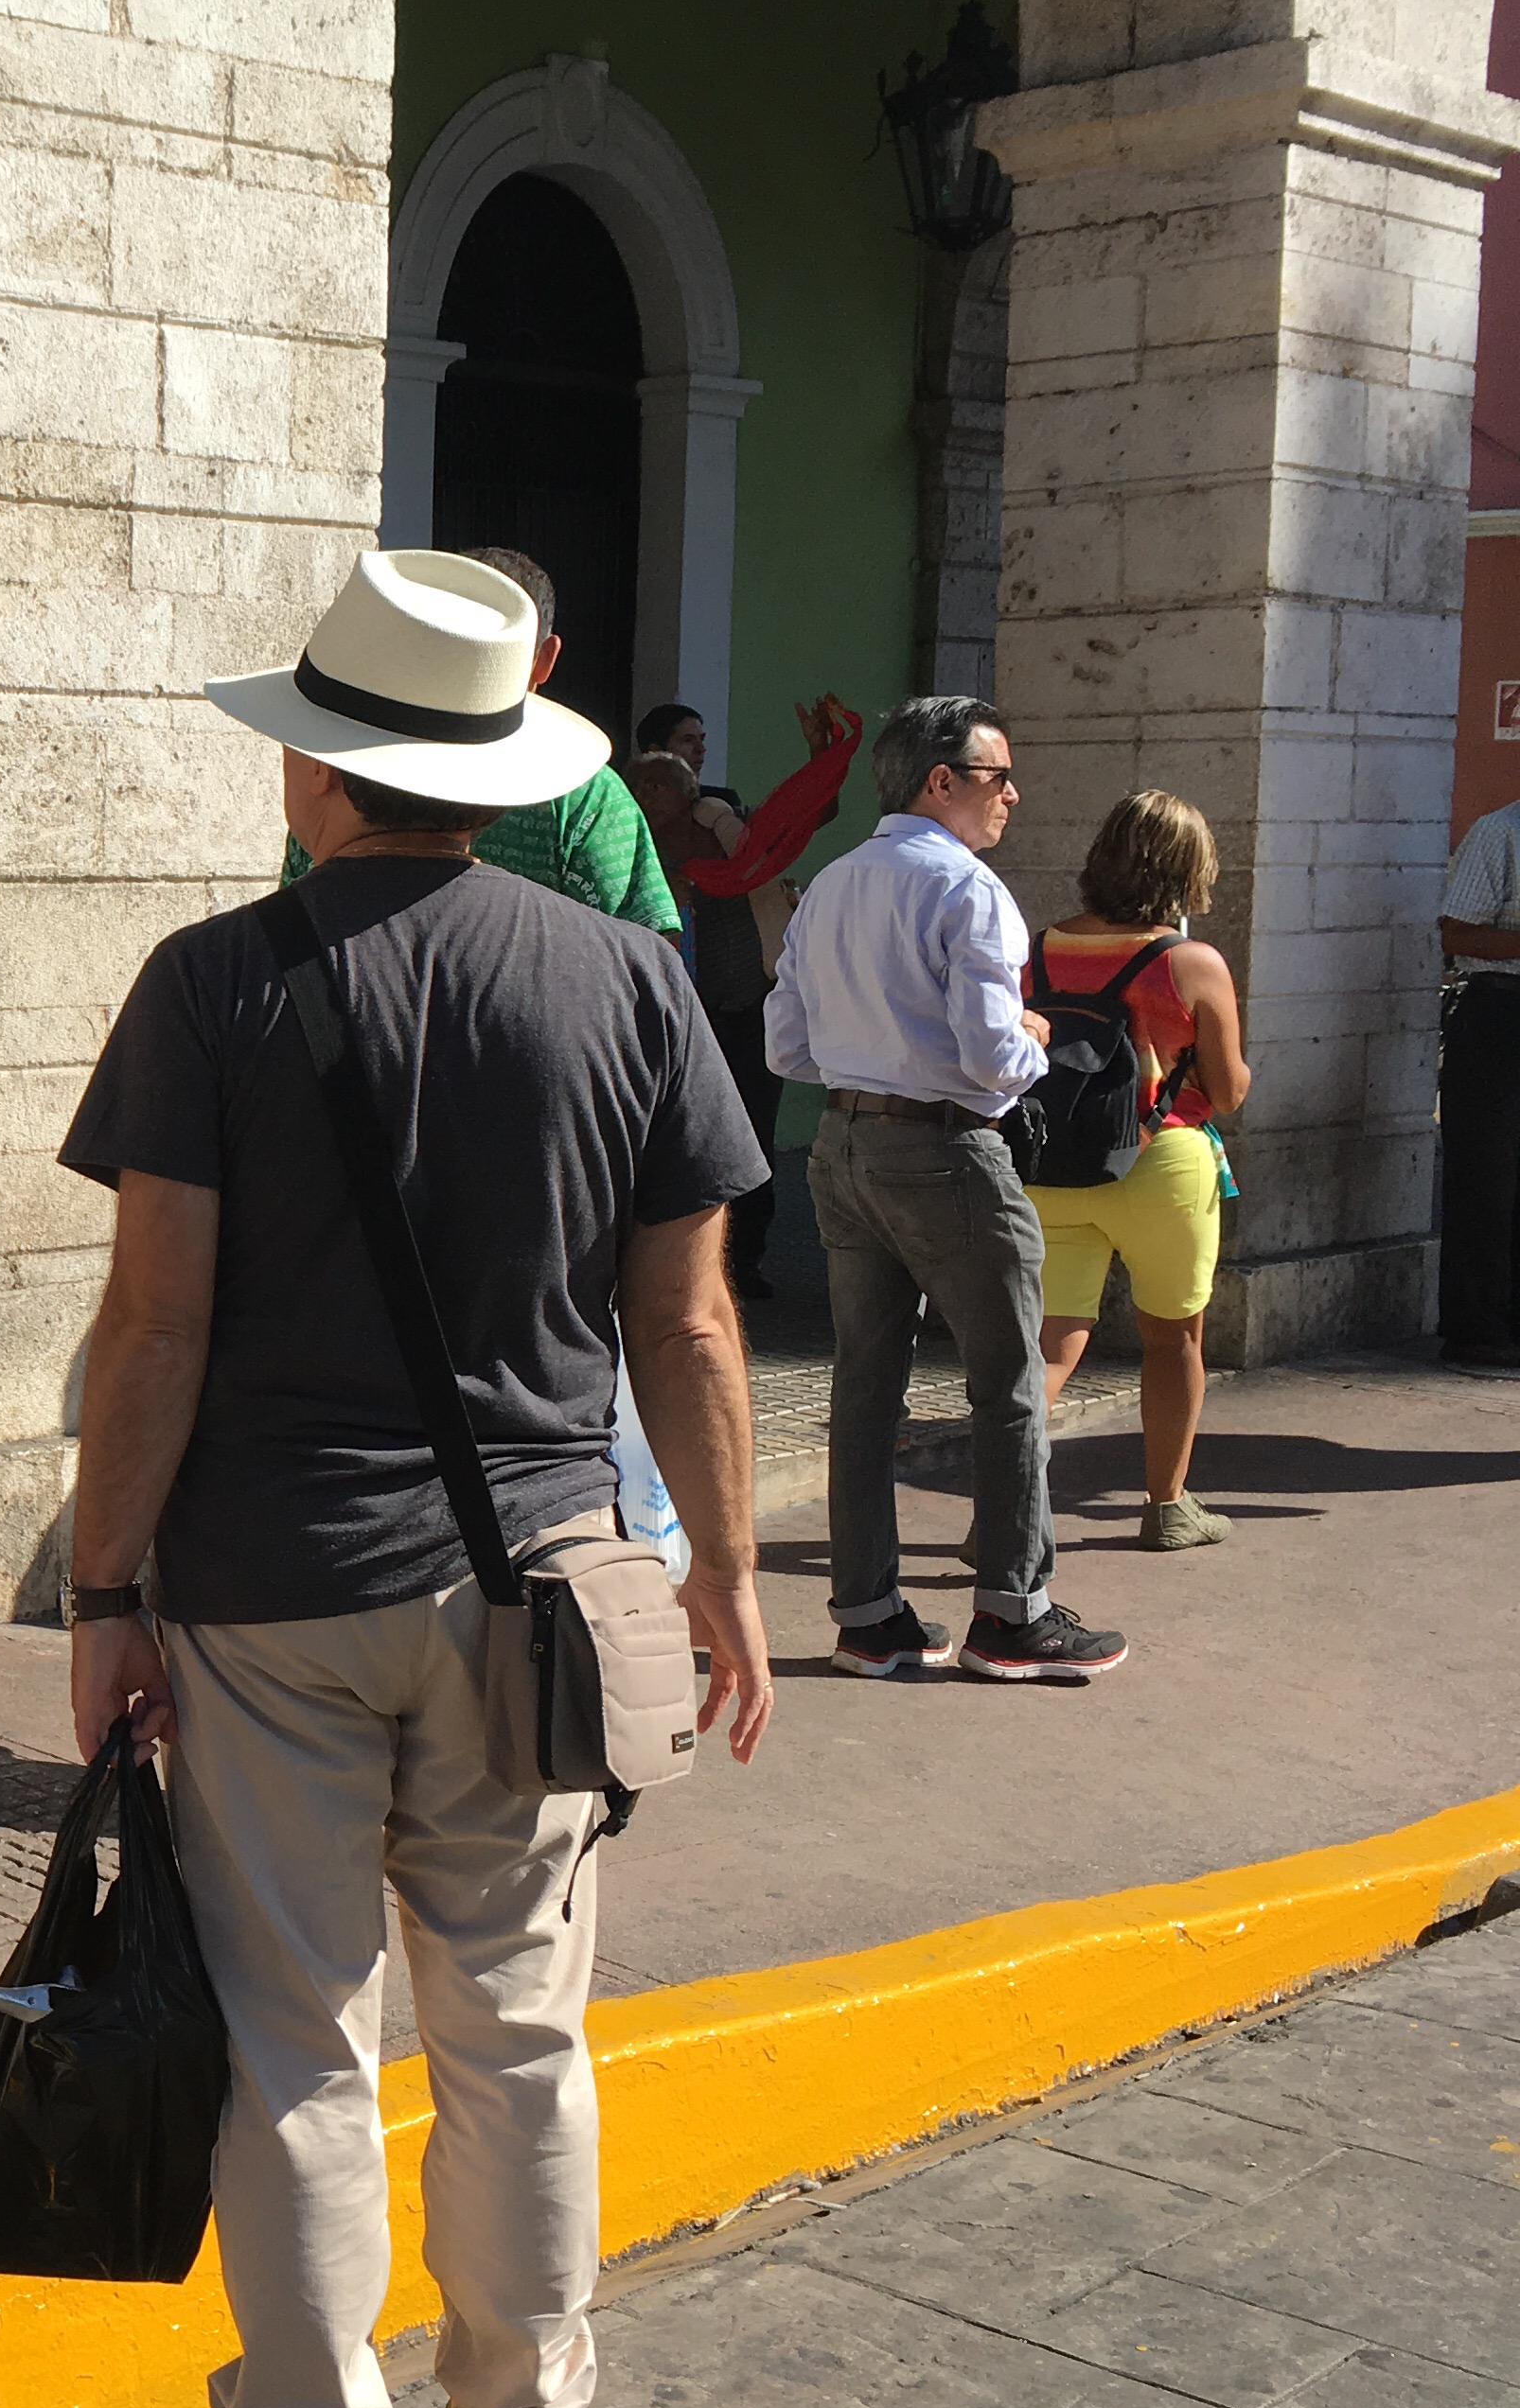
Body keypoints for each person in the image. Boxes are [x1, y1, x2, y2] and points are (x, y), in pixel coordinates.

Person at [64, 547, 776, 2408]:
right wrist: (721, 1571)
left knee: (297, 2045)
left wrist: (106, 1598)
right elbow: (696, 1329)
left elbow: (156, 1328)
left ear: (317, 772)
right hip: (542, 1585)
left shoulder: (216, 983)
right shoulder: (629, 980)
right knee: (520, 2036)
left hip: (271, 1587)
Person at [765, 695, 1130, 1684]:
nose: (1012, 792)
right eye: (996, 774)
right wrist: (1038, 1042)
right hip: (945, 1146)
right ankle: (1014, 1611)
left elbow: (784, 1042)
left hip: (841, 1141)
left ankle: (868, 1612)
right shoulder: (968, 891)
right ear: (941, 783)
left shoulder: (835, 883)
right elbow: (990, 1053)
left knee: (864, 1383)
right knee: (1007, 1380)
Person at [1027, 792, 1251, 1548]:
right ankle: (1168, 1506)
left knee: (1051, 1342)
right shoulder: (1191, 963)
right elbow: (1226, 1091)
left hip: (1052, 1163)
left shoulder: (1041, 946)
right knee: (1173, 1338)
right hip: (1161, 1166)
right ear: (1188, 872)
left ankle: (1006, 1512)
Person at [273, 551, 681, 941]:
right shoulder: (589, 797)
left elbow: (290, 926)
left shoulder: (341, 773)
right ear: (547, 658)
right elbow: (648, 957)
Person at [624, 747, 789, 1296]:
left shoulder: (729, 845)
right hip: (673, 1025)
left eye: (660, 785)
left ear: (691, 796)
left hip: (744, 1016)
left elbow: (788, 829)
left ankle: (745, 1262)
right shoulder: (625, 856)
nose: (649, 795)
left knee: (750, 1141)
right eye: (640, 785)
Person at [1441, 785, 1520, 1377]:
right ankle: (1478, 1330)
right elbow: (1458, 932)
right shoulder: (1500, 833)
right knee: (1488, 1177)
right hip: (1501, 1014)